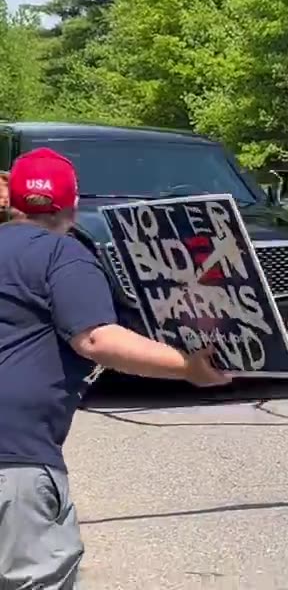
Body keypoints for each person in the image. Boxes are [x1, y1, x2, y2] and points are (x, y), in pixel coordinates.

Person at [0, 148, 230, 588]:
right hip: (14, 457)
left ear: (12, 199)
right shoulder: (62, 255)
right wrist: (187, 366)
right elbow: (96, 338)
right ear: (72, 203)